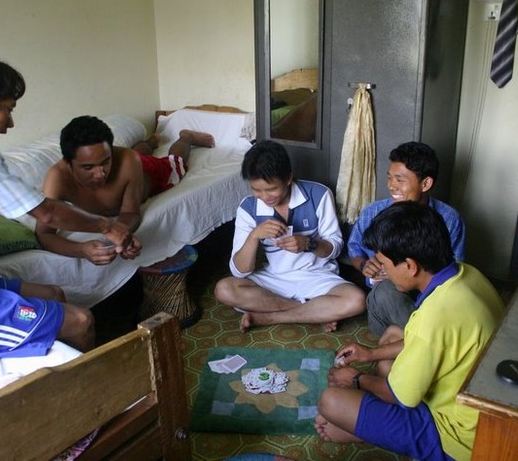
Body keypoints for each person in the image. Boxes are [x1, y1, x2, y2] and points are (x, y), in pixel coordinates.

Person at [0, 53, 141, 367]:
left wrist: (117, 228)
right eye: (8, 109)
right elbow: (47, 215)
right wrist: (108, 227)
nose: (10, 123)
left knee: (53, 294)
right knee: (81, 321)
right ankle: (94, 391)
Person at [316, 201, 503, 460]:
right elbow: (433, 340)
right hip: (485, 411)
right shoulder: (467, 275)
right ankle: (377, 426)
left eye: (385, 264)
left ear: (410, 265)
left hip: (459, 437)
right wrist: (370, 354)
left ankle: (384, 434)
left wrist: (356, 379)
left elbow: (400, 397)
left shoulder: (434, 317)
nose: (383, 271)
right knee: (394, 333)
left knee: (330, 401)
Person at [214, 140, 365, 332]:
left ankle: (270, 317)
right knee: (224, 289)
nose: (265, 197)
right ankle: (314, 311)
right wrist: (254, 236)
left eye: (271, 189)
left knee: (357, 300)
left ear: (288, 178)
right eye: (256, 190)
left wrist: (309, 244)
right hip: (274, 279)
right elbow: (239, 271)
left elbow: (335, 248)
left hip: (317, 277)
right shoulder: (248, 208)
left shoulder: (318, 195)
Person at [36, 115, 214, 265]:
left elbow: (130, 213)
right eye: (88, 167)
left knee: (175, 163)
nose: (100, 174)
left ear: (111, 152)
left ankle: (186, 138)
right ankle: (151, 142)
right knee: (136, 154)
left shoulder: (128, 161)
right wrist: (81, 249)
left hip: (150, 173)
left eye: (106, 161)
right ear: (68, 163)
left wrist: (122, 236)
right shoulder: (57, 177)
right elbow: (43, 234)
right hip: (133, 162)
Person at [347, 141, 466, 336]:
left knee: (394, 340)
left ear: (425, 184)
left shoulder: (449, 219)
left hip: (430, 295)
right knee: (384, 293)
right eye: (389, 177)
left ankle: (412, 339)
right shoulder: (373, 212)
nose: (391, 186)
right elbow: (354, 249)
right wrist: (364, 265)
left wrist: (406, 274)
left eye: (400, 179)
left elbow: (456, 269)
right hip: (387, 295)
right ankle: (422, 338)